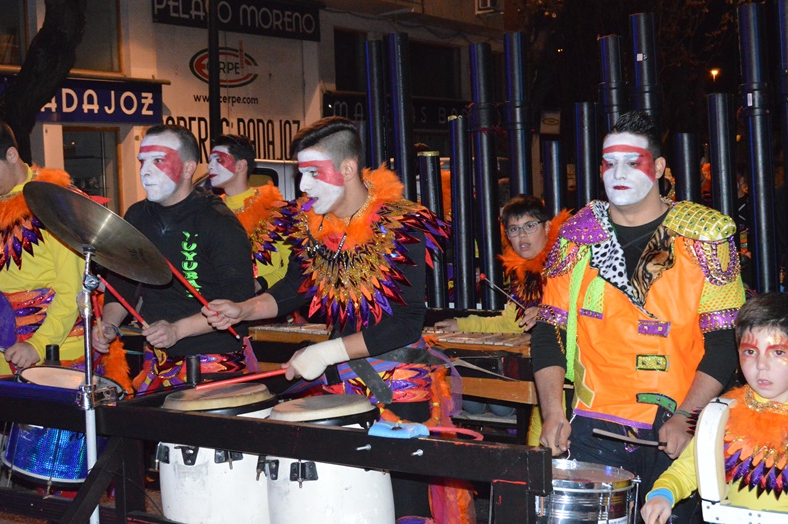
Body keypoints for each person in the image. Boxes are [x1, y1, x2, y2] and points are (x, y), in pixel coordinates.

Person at [203, 117, 452, 520]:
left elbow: (406, 321)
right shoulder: (310, 224)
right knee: (348, 500)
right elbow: (291, 290)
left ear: (348, 169)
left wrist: (326, 352)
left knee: (404, 503)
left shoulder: (401, 223)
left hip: (396, 385)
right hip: (340, 384)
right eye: (301, 174)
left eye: (312, 173)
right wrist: (243, 309)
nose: (302, 187)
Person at [531, 110, 745, 518]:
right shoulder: (578, 238)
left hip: (677, 429)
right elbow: (549, 331)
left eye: (633, 161)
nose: (618, 173)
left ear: (660, 167)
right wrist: (554, 412)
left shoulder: (705, 238)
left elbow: (724, 342)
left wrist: (686, 418)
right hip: (595, 426)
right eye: (609, 163)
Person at [92, 124, 256, 393]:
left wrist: (177, 330)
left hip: (212, 364)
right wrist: (109, 325)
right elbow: (123, 286)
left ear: (189, 168)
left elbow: (240, 303)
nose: (145, 171)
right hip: (156, 361)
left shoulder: (218, 221)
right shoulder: (136, 216)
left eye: (158, 160)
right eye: (142, 161)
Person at [0, 116, 127, 382]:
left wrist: (38, 344)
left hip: (59, 351)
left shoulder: (55, 201)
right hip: (5, 349)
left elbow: (73, 289)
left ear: (12, 155)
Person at [641, 292, 788, 523]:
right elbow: (689, 469)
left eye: (778, 352)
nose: (761, 365)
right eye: (750, 351)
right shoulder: (723, 415)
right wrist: (662, 495)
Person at [435, 195, 569, 440]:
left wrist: (550, 314)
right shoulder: (523, 273)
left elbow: (593, 315)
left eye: (530, 226)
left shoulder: (568, 263)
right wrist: (461, 324)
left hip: (574, 379)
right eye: (514, 230)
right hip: (542, 372)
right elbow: (509, 324)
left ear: (547, 227)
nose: (522, 236)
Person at [208, 134, 290, 293]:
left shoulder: (273, 208)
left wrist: (261, 283)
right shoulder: (210, 210)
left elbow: (292, 268)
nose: (210, 166)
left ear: (240, 166)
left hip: (267, 308)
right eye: (210, 160)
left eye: (219, 160)